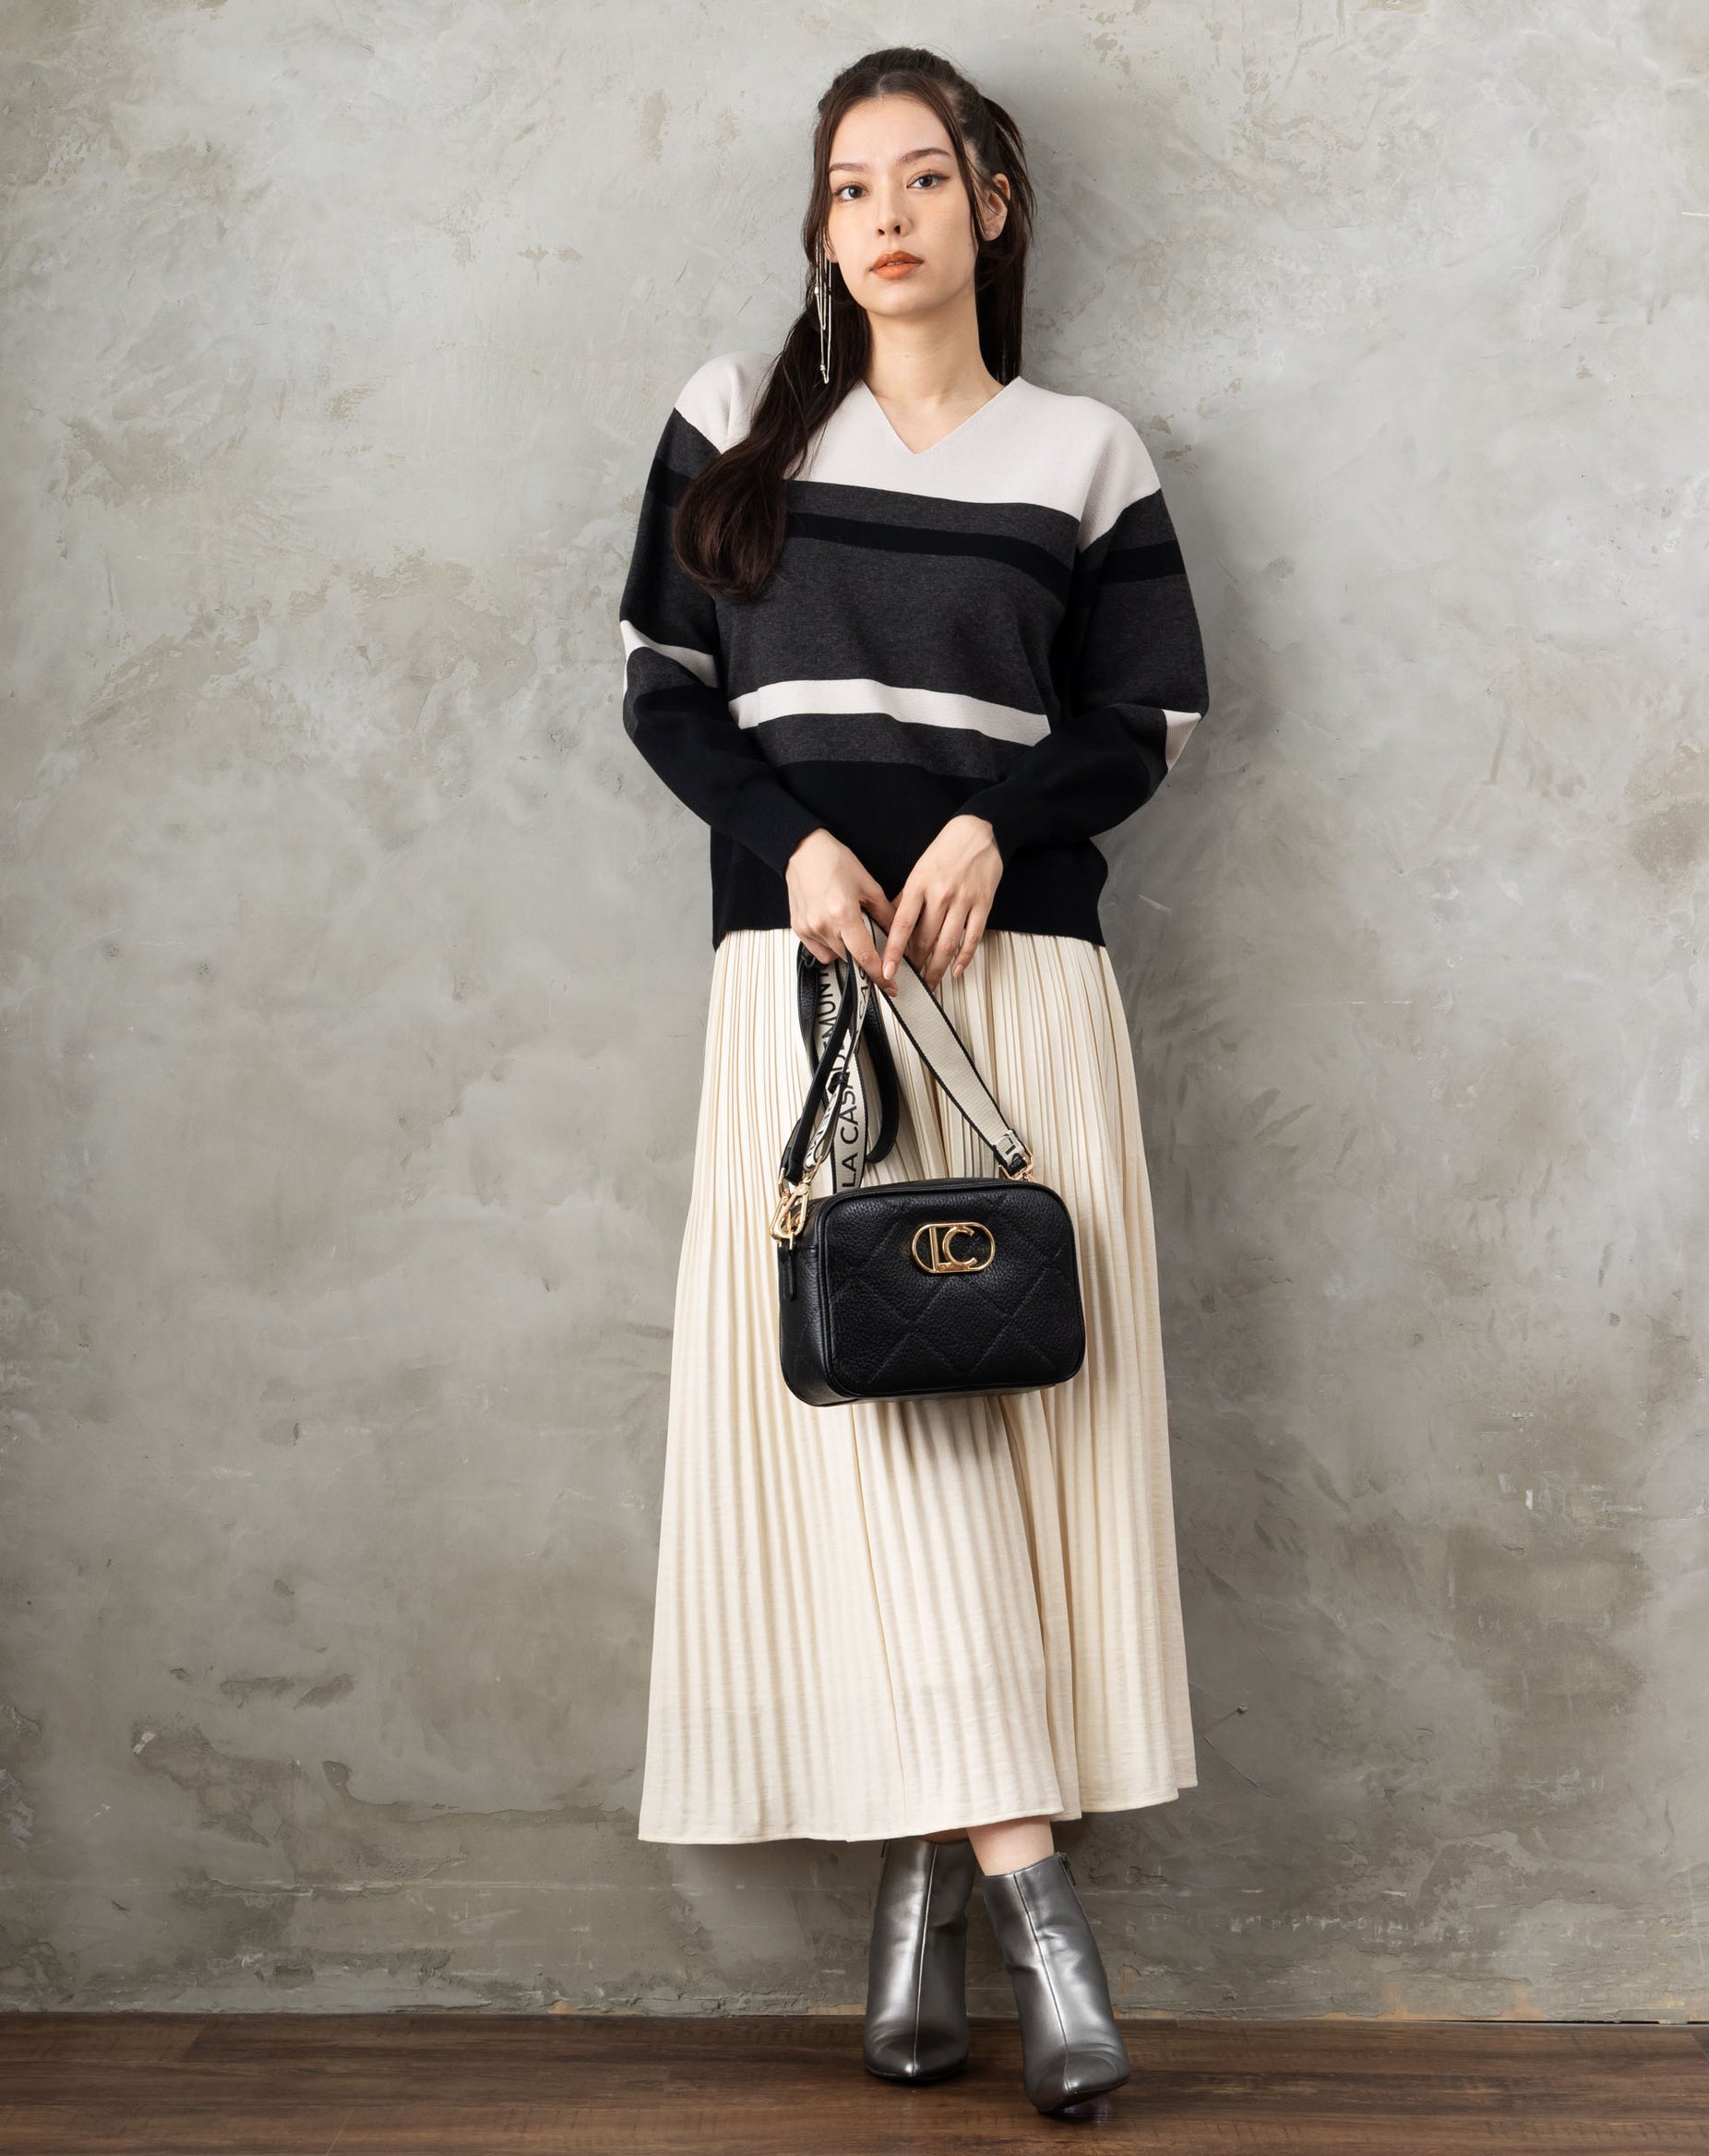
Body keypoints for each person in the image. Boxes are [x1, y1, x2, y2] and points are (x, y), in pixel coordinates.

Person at [615, 44, 1210, 2119]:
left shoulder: (1084, 454)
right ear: (821, 223)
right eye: (849, 185)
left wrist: (989, 823)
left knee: (999, 1431)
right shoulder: (733, 420)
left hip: (1016, 984)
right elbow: (661, 694)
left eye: (923, 178)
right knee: (878, 1439)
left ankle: (920, 1907)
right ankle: (1035, 1913)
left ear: (992, 205)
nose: (882, 215)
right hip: (801, 991)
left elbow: (1146, 720)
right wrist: (788, 847)